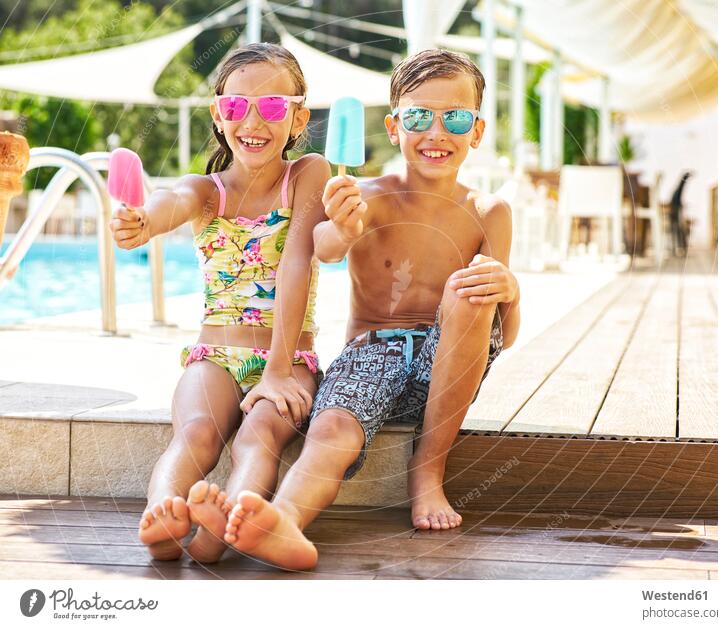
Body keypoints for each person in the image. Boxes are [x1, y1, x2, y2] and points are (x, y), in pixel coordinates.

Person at [223, 48, 521, 571]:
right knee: (333, 430)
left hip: (447, 369)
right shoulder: (365, 198)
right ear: (391, 126)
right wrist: (341, 226)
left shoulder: (488, 213)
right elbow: (323, 249)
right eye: (418, 117)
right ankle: (283, 522)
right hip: (370, 356)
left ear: (476, 130)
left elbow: (507, 334)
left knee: (468, 289)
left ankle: (426, 473)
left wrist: (510, 290)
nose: (436, 132)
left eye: (454, 118)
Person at [109, 43, 329, 564]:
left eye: (273, 107)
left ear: (298, 118)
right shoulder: (205, 190)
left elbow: (296, 263)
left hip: (290, 359)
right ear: (218, 113)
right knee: (196, 434)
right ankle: (164, 514)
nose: (253, 120)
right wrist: (141, 222)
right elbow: (170, 204)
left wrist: (277, 370)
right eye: (236, 106)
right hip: (215, 357)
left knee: (258, 437)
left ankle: (222, 528)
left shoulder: (307, 175)